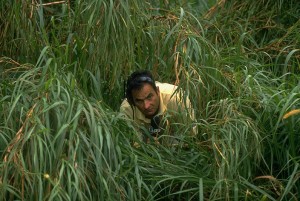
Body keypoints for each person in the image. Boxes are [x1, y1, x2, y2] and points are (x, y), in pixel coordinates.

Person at [120, 70, 195, 145]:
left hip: (173, 138)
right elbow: (131, 146)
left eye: (149, 97)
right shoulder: (127, 108)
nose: (146, 106)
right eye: (139, 101)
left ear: (157, 91)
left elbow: (190, 137)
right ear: (132, 101)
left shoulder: (177, 99)